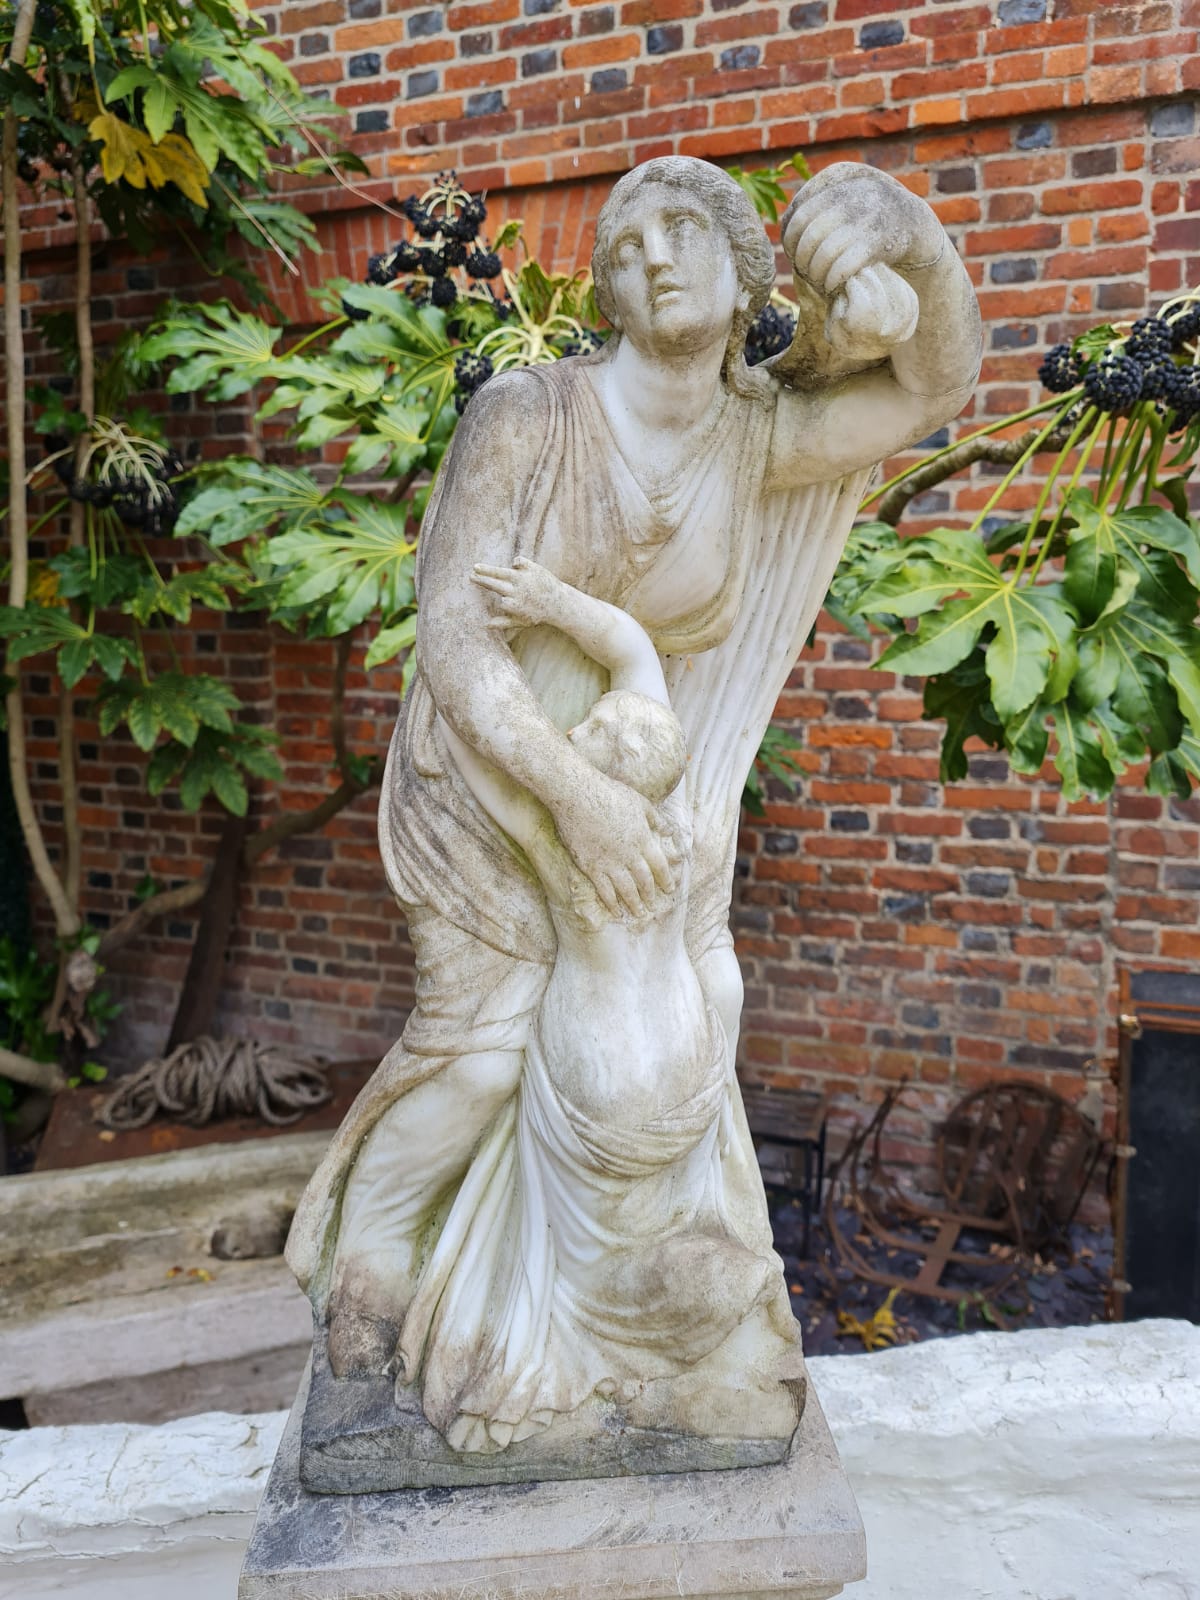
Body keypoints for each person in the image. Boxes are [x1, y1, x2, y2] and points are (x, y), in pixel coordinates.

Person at [285, 155, 982, 1405]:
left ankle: (624, 1291)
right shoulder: (526, 413)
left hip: (655, 773)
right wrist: (579, 800)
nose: (653, 253)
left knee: (691, 1019)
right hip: (491, 772)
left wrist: (914, 240)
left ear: (743, 266)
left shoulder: (757, 437)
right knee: (487, 1055)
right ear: (604, 290)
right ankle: (379, 1253)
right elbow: (454, 638)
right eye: (625, 243)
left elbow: (934, 384)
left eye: (683, 228)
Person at [394, 556, 784, 1452]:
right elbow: (636, 659)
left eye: (596, 729)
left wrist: (461, 678)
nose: (589, 720)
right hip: (687, 1055)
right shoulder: (674, 820)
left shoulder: (572, 843)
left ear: (602, 766)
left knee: (576, 1253)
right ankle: (690, 1318)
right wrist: (562, 605)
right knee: (658, 1212)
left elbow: (485, 763)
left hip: (602, 1069)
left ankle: (592, 1342)